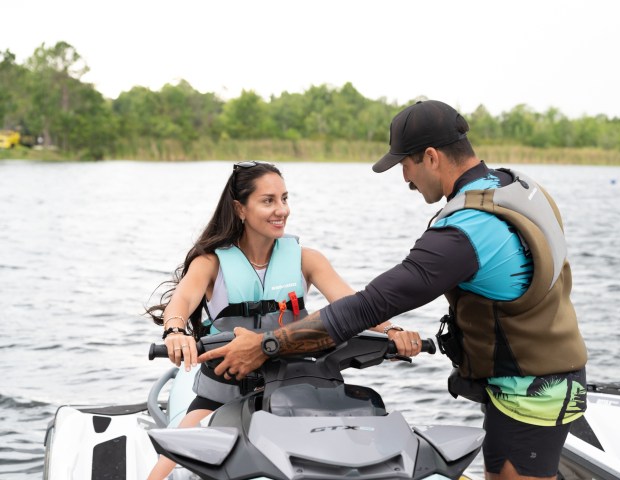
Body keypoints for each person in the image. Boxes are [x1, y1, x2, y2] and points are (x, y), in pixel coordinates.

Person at [198, 101, 588, 480]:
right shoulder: (513, 186)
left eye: (405, 164)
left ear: (431, 157)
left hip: (532, 392)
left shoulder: (463, 233)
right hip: (545, 374)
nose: (405, 179)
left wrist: (265, 345)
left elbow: (365, 307)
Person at [145, 161, 423, 480]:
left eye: (285, 199)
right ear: (240, 209)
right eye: (268, 201)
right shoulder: (211, 263)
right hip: (226, 387)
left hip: (294, 387)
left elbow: (355, 305)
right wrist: (175, 331)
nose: (281, 210)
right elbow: (180, 302)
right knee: (162, 472)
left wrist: (391, 330)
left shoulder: (307, 259)